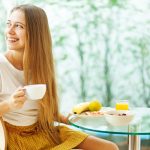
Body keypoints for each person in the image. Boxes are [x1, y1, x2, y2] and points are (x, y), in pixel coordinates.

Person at [0, 4, 119, 150]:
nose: (9, 31)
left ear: (35, 32)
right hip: (15, 139)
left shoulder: (41, 66)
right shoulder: (1, 66)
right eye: (8, 24)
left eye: (18, 26)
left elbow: (48, 112)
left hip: (43, 130)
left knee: (109, 147)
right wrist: (9, 104)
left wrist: (72, 118)